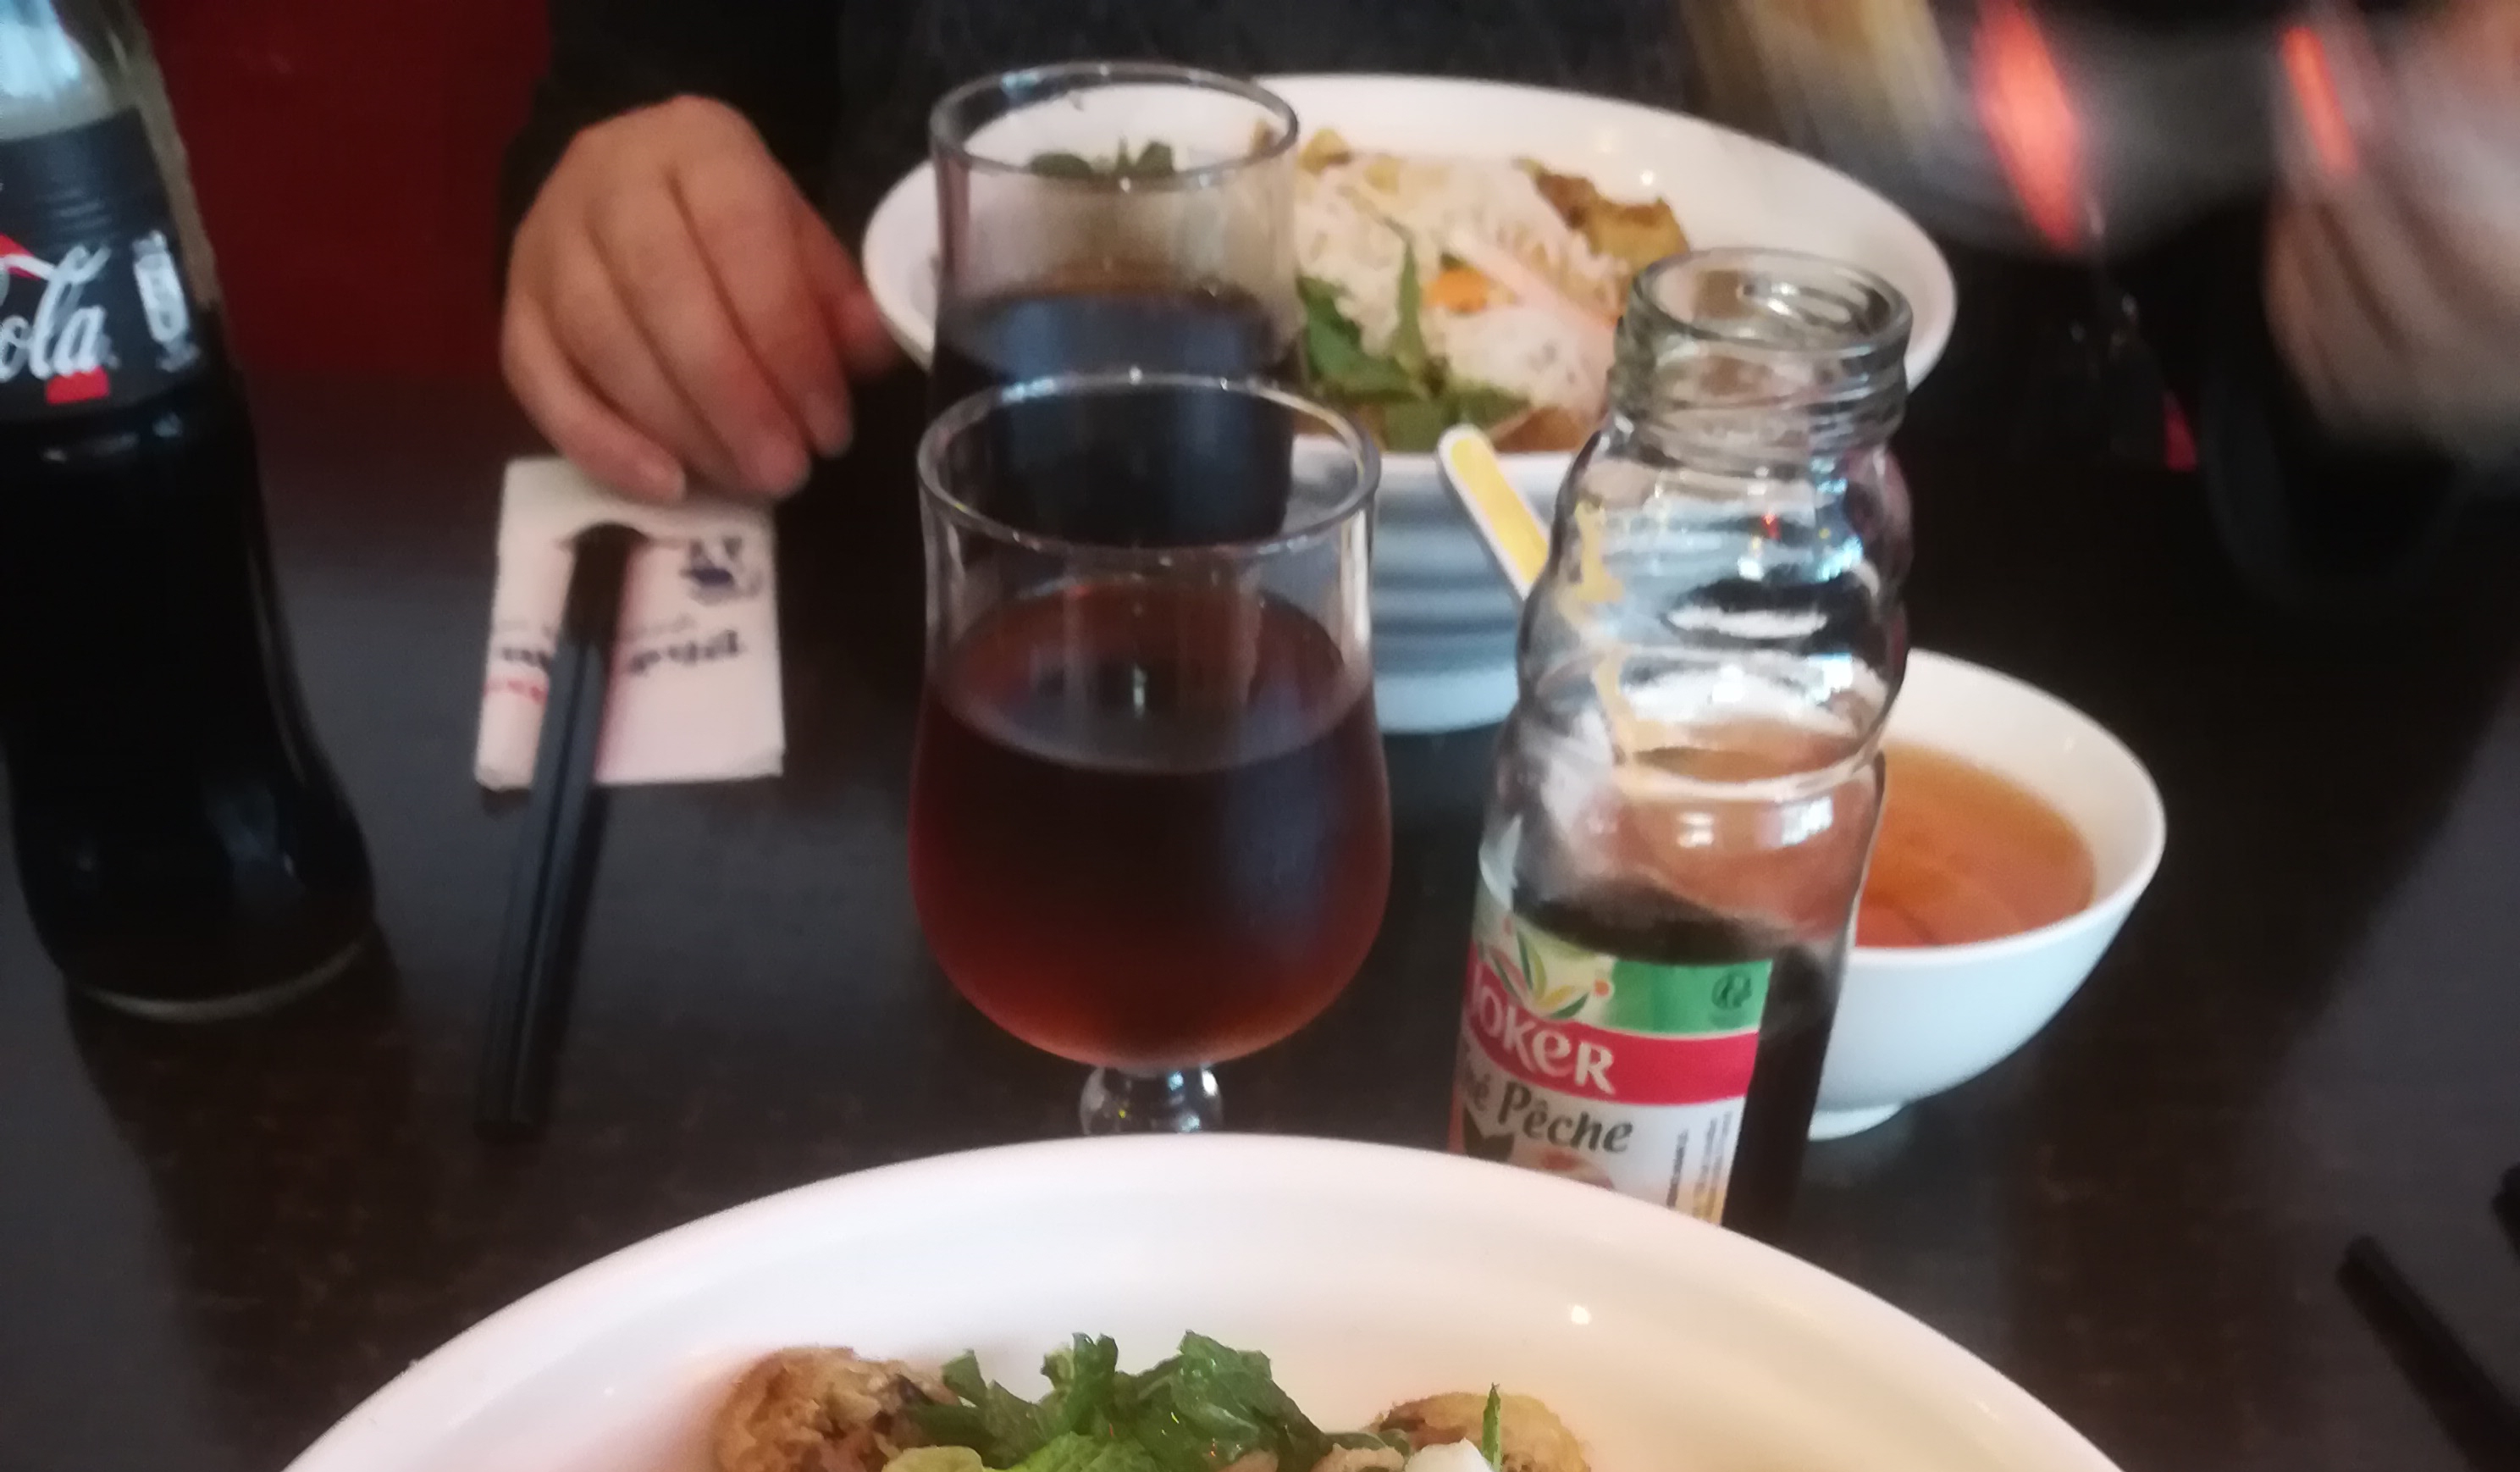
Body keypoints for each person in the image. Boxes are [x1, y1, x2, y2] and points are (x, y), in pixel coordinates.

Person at [498, 0, 2520, 590]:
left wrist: (2402, 334)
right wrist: (633, 177)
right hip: (993, 646)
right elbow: (654, 88)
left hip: (1783, 729)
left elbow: (2283, 330)